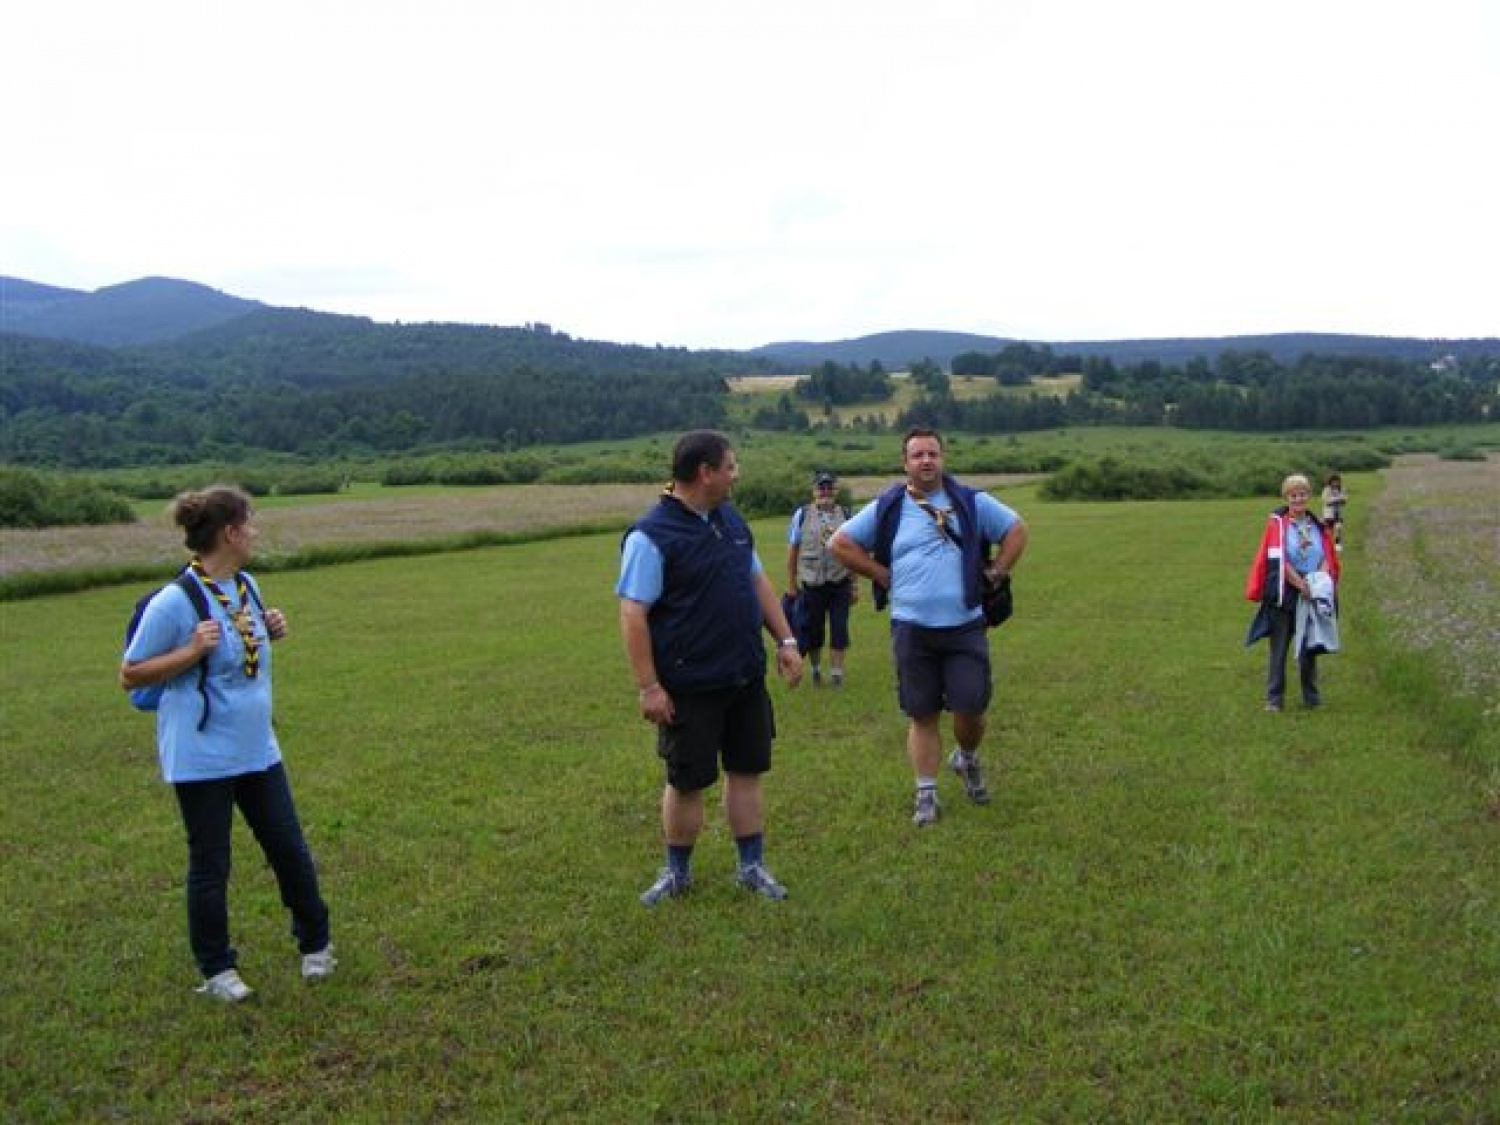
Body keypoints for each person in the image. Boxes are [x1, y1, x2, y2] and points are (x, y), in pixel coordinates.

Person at [120, 486, 334, 1002]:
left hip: (257, 748)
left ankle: (317, 945)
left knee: (288, 847)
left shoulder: (246, 585)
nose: (255, 533)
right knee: (212, 864)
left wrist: (270, 627)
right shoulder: (175, 602)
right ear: (230, 533)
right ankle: (218, 971)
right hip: (201, 757)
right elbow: (131, 674)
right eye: (250, 524)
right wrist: (190, 650)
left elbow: (243, 647)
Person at [618, 430, 805, 906]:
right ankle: (676, 873)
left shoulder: (729, 519)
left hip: (743, 675)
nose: (735, 474)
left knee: (746, 771)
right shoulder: (652, 535)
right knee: (686, 781)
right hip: (690, 687)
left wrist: (784, 639)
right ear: (706, 472)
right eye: (731, 466)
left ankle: (752, 867)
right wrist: (649, 688)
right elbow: (633, 614)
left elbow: (756, 580)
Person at [830, 427, 1028, 827]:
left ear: (943, 459)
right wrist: (879, 575)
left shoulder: (971, 502)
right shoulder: (887, 507)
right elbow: (840, 543)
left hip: (966, 626)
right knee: (922, 713)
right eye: (917, 455)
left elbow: (1016, 530)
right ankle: (926, 793)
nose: (926, 461)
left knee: (971, 707)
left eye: (932, 454)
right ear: (905, 462)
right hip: (911, 627)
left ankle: (966, 758)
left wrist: (997, 573)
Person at [1244, 473, 1342, 712]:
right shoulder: (1277, 526)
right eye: (1293, 495)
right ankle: (1274, 699)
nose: (1298, 499)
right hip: (1285, 593)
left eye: (1302, 494)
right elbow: (1279, 560)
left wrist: (1318, 582)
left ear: (1309, 496)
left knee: (1309, 645)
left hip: (1312, 590)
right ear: (1286, 497)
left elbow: (1326, 556)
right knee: (1279, 648)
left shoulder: (1318, 526)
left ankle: (1312, 697)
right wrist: (1300, 585)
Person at [786, 471, 856, 686]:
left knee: (839, 629)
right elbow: (793, 550)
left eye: (829, 487)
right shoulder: (802, 515)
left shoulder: (847, 514)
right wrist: (791, 583)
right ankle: (816, 670)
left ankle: (836, 674)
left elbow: (854, 551)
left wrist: (854, 585)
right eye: (821, 487)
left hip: (840, 582)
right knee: (813, 630)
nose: (825, 491)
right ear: (814, 491)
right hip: (812, 583)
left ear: (835, 491)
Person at [1321, 472, 1347, 550]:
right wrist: (1337, 499)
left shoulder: (1342, 489)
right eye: (1333, 481)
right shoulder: (1326, 490)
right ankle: (1329, 545)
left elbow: (1344, 499)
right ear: (1330, 481)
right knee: (1330, 530)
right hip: (1329, 514)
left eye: (1337, 481)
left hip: (1338, 513)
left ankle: (1337, 544)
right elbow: (1326, 500)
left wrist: (1340, 500)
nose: (1335, 483)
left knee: (1338, 528)